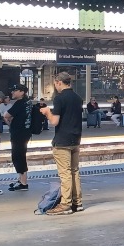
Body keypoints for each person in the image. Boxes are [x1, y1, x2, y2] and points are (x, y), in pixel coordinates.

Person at [40, 72, 83, 215]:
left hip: (62, 141)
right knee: (74, 171)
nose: (55, 86)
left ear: (59, 82)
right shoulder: (78, 98)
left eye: (55, 83)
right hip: (75, 139)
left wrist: (47, 112)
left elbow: (54, 122)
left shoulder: (59, 99)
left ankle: (65, 204)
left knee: (64, 174)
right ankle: (78, 203)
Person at [4, 84, 32, 191]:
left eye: (15, 91)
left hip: (18, 133)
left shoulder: (19, 103)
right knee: (20, 155)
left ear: (22, 92)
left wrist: (10, 125)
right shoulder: (28, 102)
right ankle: (21, 179)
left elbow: (6, 115)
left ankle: (23, 183)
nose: (12, 93)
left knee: (17, 156)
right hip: (26, 132)